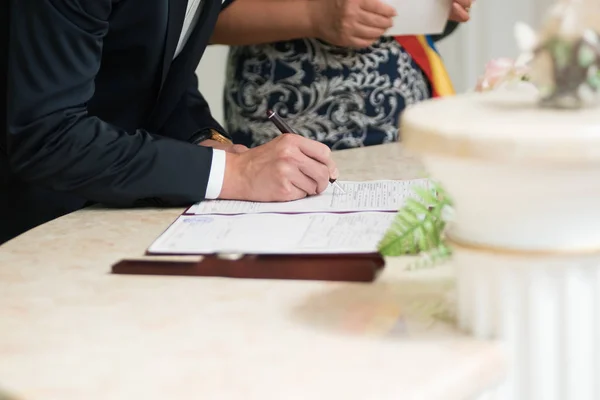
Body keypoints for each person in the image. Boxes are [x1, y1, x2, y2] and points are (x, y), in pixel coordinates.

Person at [0, 0, 338, 244]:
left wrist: (206, 143)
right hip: (25, 226)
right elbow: (48, 136)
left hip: (104, 214)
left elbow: (160, 78)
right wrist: (234, 174)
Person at [213, 0, 470, 149]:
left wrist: (443, 8)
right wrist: (314, 16)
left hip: (407, 118)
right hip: (288, 123)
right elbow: (200, 21)